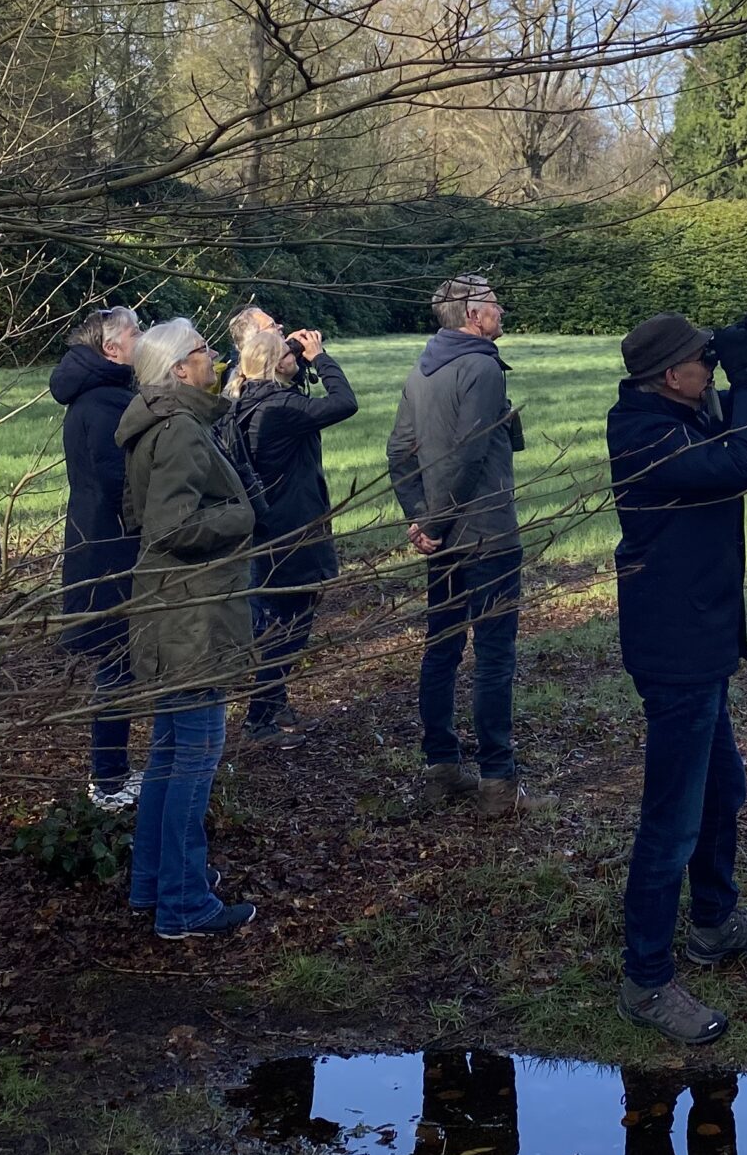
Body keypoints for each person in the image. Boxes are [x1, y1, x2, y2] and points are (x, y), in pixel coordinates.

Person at [608, 311, 747, 1046]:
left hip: (700, 635)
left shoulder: (677, 415)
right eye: (701, 362)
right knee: (671, 819)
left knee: (722, 789)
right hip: (674, 644)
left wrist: (738, 365)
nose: (710, 371)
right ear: (668, 375)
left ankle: (714, 923)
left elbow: (732, 426)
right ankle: (646, 981)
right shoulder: (645, 434)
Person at [115, 316, 259, 937]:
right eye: (203, 350)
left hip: (172, 608)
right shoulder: (178, 430)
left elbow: (135, 513)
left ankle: (153, 883)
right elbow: (167, 527)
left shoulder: (160, 423)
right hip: (190, 617)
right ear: (179, 368)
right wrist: (239, 515)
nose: (213, 358)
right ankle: (183, 904)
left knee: (170, 755)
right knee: (193, 761)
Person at [387, 273, 529, 814]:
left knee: (442, 649)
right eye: (492, 302)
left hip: (441, 541)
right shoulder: (482, 367)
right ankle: (497, 784)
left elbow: (398, 451)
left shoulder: (421, 369)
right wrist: (437, 523)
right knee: (494, 658)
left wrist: (421, 520)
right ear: (472, 315)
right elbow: (469, 454)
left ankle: (441, 768)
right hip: (487, 536)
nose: (500, 309)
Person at [224, 318, 357, 743]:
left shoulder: (246, 400)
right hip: (293, 527)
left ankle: (272, 704)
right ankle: (260, 719)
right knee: (290, 624)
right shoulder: (280, 409)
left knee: (280, 618)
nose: (293, 353)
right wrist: (321, 358)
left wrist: (296, 360)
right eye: (286, 352)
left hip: (269, 527)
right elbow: (344, 403)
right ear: (274, 365)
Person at [50, 304, 142, 810]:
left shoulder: (97, 394)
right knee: (116, 664)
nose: (142, 339)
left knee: (119, 663)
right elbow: (119, 486)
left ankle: (112, 774)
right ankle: (108, 781)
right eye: (135, 333)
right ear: (111, 348)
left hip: (99, 548)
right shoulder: (106, 402)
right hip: (110, 554)